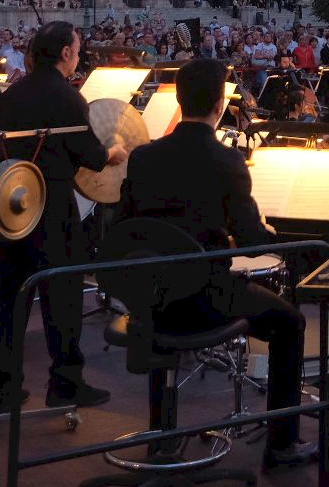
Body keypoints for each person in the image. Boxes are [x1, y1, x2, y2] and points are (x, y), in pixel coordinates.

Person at [117, 57, 315, 471]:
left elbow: (129, 229)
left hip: (146, 297)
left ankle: (161, 436)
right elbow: (251, 241)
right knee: (290, 322)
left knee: (162, 285)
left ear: (180, 100)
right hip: (202, 299)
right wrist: (280, 237)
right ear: (221, 104)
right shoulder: (226, 160)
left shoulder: (143, 158)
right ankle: (281, 445)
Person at [0, 21, 126, 410]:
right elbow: (90, 156)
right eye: (78, 50)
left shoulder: (14, 93)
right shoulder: (65, 97)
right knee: (63, 297)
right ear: (65, 53)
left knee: (11, 298)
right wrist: (114, 152)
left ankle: (4, 387)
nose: (79, 56)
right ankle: (65, 383)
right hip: (52, 205)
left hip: (14, 203)